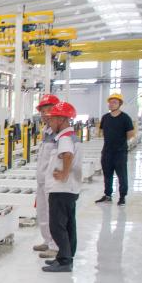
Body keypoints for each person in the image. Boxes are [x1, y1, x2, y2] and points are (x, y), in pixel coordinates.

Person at [42, 101, 83, 273]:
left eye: (52, 119)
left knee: (57, 226)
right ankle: (65, 256)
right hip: (69, 189)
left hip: (61, 189)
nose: (49, 122)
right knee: (68, 225)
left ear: (61, 119)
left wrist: (64, 174)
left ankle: (65, 260)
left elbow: (67, 155)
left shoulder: (65, 137)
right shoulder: (71, 136)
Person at [95, 92, 136, 205]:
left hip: (120, 152)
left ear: (119, 104)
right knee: (107, 174)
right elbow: (101, 132)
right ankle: (108, 195)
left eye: (114, 102)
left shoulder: (125, 118)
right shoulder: (105, 117)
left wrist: (119, 141)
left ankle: (122, 197)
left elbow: (131, 134)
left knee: (122, 175)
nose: (111, 104)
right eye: (110, 102)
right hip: (107, 152)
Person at [33, 94, 60, 260]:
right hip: (42, 180)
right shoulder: (46, 131)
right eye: (42, 111)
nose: (45, 114)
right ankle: (47, 240)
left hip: (52, 182)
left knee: (53, 214)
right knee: (42, 212)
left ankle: (55, 246)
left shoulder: (59, 133)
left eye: (48, 110)